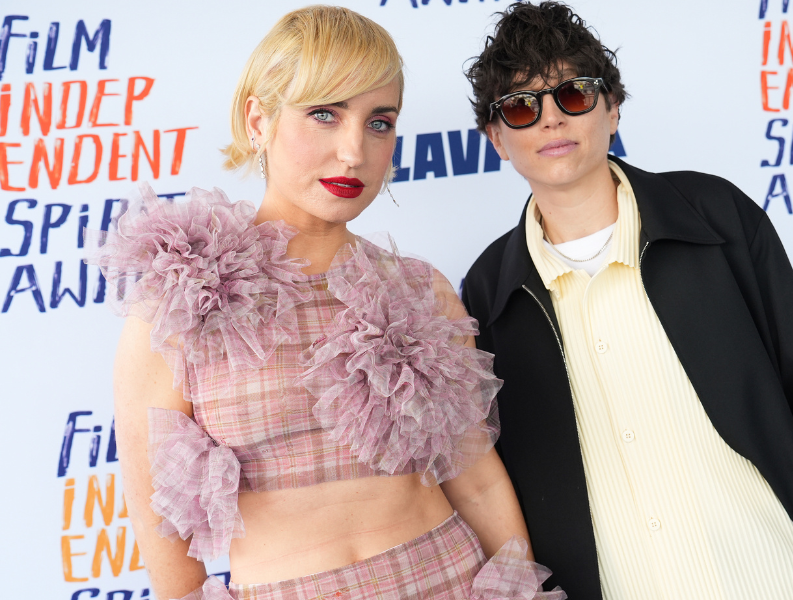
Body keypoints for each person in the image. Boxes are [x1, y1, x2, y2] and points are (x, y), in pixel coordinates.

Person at [91, 7, 563, 600]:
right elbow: (167, 556)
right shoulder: (178, 306)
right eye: (324, 114)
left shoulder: (421, 290)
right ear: (257, 119)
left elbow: (476, 479)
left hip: (452, 579)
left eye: (379, 122)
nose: (353, 152)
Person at [460, 3, 793, 599]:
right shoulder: (486, 293)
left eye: (574, 96)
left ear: (613, 109)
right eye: (520, 106)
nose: (551, 119)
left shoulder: (718, 218)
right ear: (497, 138)